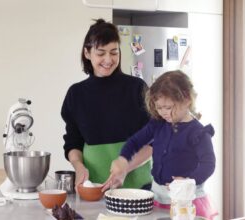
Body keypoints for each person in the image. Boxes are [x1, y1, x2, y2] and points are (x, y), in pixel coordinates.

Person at [103, 70, 218, 219]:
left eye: (168, 107)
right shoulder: (157, 124)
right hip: (158, 197)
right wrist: (123, 159)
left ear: (187, 99)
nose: (163, 112)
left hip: (187, 201)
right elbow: (135, 141)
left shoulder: (199, 132)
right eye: (159, 107)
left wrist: (189, 180)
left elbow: (208, 164)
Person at [61, 18, 153, 191]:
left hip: (138, 189)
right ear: (87, 53)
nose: (108, 59)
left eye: (114, 52)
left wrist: (125, 166)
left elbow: (153, 140)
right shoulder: (76, 94)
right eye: (101, 53)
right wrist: (78, 166)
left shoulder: (136, 88)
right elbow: (73, 142)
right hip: (95, 187)